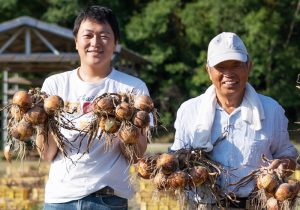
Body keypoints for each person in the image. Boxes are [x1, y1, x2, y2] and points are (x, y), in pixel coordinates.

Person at [35, 5, 149, 210]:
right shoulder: (54, 86)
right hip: (60, 199)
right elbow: (46, 154)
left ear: (116, 43)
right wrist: (39, 120)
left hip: (109, 199)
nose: (95, 43)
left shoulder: (133, 89)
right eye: (88, 35)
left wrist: (125, 122)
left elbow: (136, 156)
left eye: (104, 36)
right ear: (76, 41)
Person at [170, 32, 298, 210]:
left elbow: (289, 157)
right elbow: (174, 161)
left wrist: (282, 166)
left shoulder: (272, 110)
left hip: (257, 204)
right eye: (221, 67)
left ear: (249, 66)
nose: (228, 74)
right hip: (203, 205)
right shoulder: (189, 111)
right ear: (208, 70)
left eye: (236, 65)